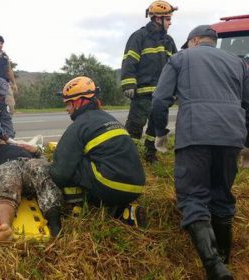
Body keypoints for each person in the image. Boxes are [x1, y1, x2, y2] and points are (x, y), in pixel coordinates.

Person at [151, 25, 249, 279]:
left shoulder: (180, 58)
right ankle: (225, 260)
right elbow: (248, 104)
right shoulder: (238, 63)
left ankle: (215, 268)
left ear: (193, 40)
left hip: (196, 134)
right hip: (231, 136)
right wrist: (246, 142)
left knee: (193, 198)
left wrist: (160, 133)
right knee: (222, 196)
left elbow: (160, 100)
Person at [49, 76, 146, 226]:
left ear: (78, 102)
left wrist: (49, 165)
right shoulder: (109, 119)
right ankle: (124, 212)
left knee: (69, 164)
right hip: (136, 187)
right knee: (94, 162)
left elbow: (60, 173)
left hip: (110, 186)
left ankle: (76, 208)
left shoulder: (80, 125)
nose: (66, 109)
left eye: (67, 103)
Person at [0, 140, 63, 241]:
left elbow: (46, 162)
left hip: (29, 164)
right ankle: (4, 228)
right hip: (7, 167)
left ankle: (55, 225)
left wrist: (37, 151)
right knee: (5, 183)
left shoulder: (22, 146)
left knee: (42, 171)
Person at [120, 0, 177, 163]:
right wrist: (129, 84)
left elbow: (175, 66)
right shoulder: (139, 37)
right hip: (142, 93)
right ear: (157, 19)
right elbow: (129, 61)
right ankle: (128, 157)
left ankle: (150, 154)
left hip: (161, 95)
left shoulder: (169, 41)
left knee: (156, 126)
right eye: (168, 19)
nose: (170, 23)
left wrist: (174, 90)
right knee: (135, 126)